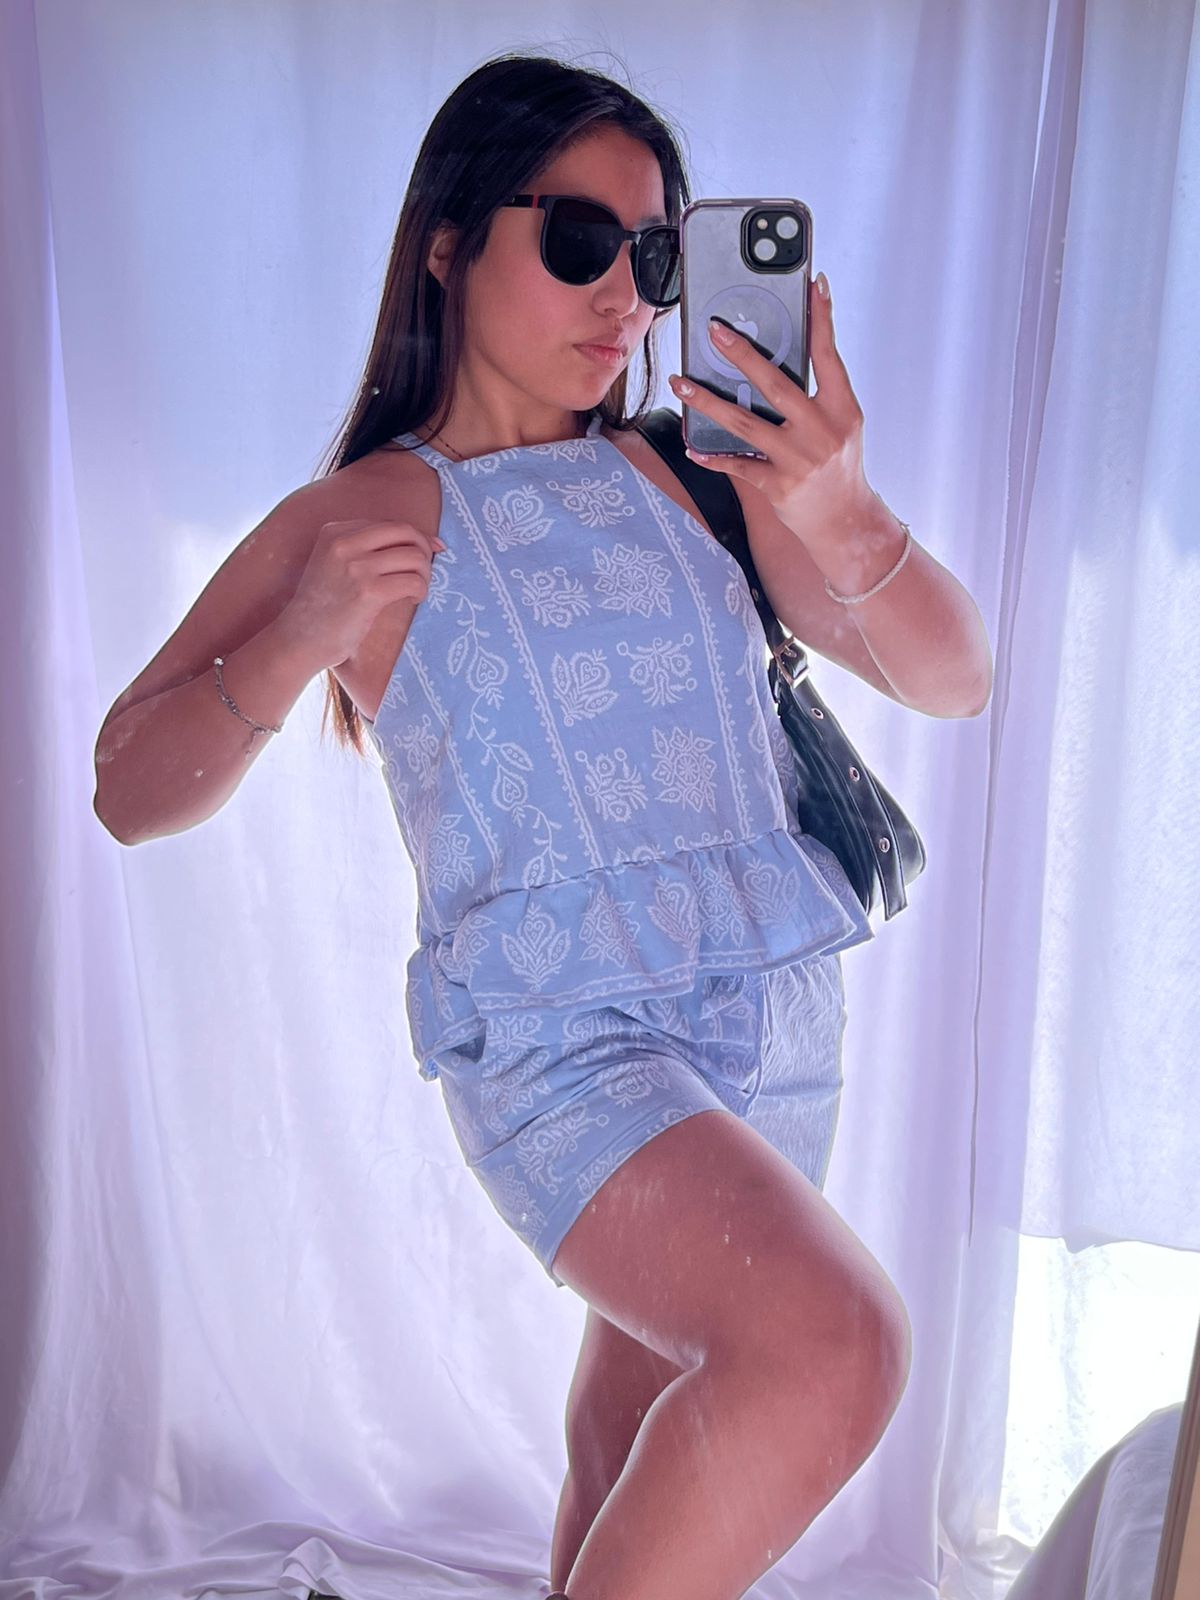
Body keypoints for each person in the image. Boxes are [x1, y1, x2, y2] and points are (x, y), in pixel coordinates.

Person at [92, 49, 970, 1600]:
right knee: (833, 1343)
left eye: (654, 256)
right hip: (569, 1048)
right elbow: (126, 786)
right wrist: (294, 642)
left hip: (775, 1013)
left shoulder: (700, 472)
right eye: (579, 240)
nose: (624, 296)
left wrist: (838, 502)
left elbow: (954, 679)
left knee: (630, 1438)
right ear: (448, 240)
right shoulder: (363, 514)